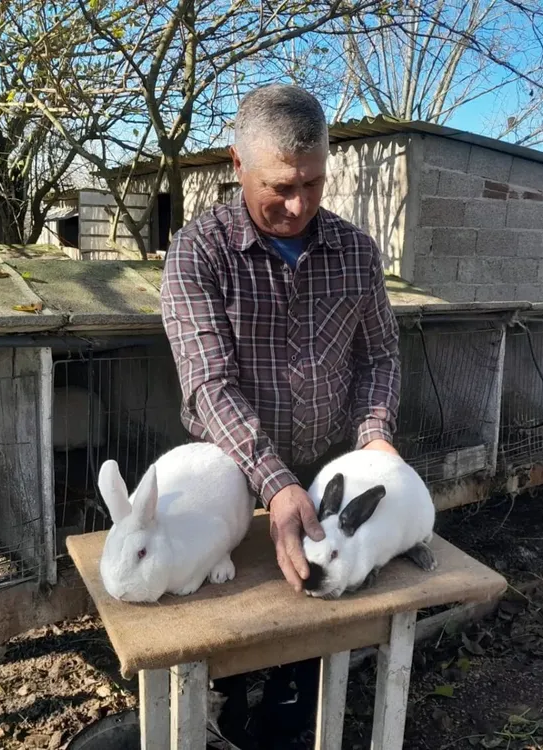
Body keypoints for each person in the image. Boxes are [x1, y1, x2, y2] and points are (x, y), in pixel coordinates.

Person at [159, 83, 401, 747]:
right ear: (237, 165)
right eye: (279, 187)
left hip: (329, 471)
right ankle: (225, 707)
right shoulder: (198, 254)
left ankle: (296, 705)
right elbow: (208, 384)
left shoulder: (355, 253)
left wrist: (375, 438)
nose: (298, 205)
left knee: (318, 607)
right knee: (231, 616)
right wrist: (273, 480)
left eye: (314, 184)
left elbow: (380, 357)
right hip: (231, 483)